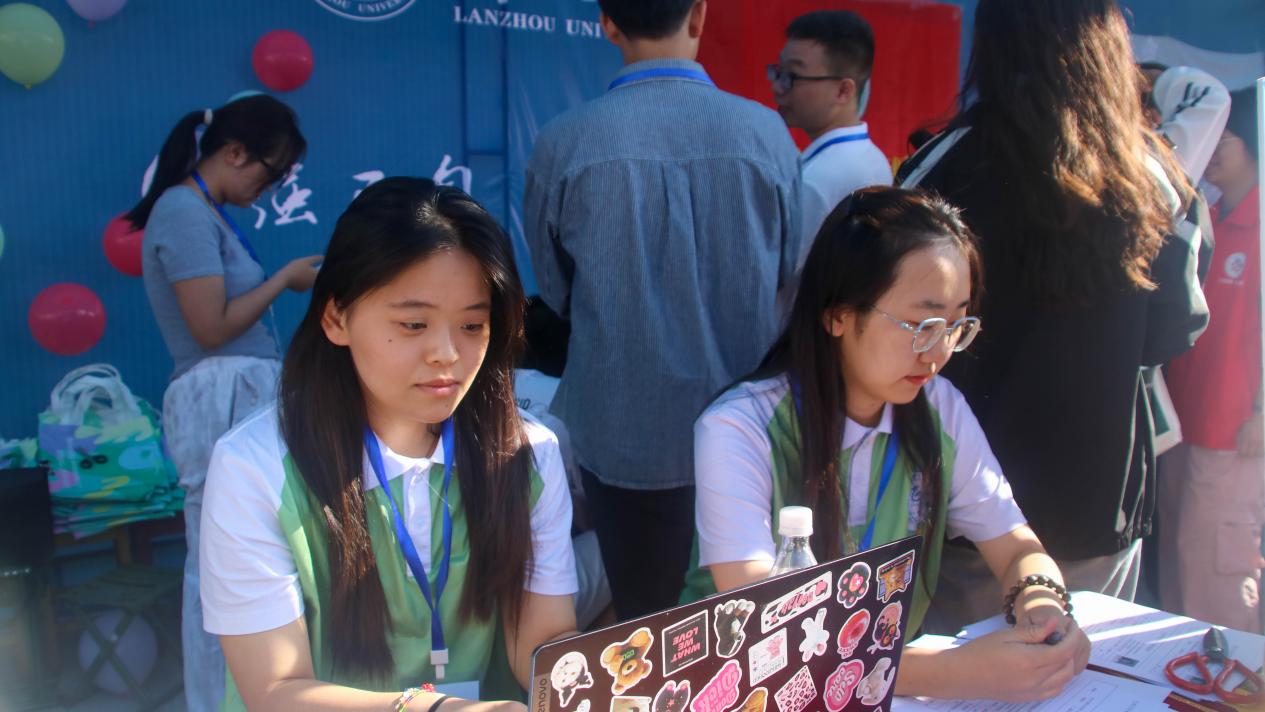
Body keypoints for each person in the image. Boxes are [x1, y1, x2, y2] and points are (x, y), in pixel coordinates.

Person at [682, 187, 1091, 702]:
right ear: (837, 314)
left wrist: (1042, 604)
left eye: (956, 325)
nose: (939, 352)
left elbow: (1015, 547)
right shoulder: (738, 429)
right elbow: (767, 632)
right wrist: (952, 672)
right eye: (921, 325)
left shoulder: (939, 408)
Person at [199, 178, 578, 710]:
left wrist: (607, 685)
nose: (447, 353)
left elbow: (542, 647)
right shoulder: (254, 468)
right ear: (336, 318)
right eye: (414, 323)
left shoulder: (527, 453)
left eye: (473, 325)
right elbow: (274, 692)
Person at [897, 0, 1208, 632]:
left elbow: (897, 322)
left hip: (965, 504)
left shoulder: (943, 165)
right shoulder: (1153, 174)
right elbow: (1176, 329)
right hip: (1097, 497)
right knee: (1088, 672)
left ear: (992, 47)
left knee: (964, 672)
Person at [524, 0, 802, 619]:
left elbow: (556, 291)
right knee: (758, 620)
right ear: (699, 15)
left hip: (625, 431)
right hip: (750, 421)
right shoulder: (766, 134)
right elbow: (788, 274)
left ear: (607, 23)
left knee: (648, 623)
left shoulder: (564, 142)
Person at [126, 94, 319, 712]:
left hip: (239, 391)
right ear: (235, 153)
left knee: (252, 558)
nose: (268, 189)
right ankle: (215, 700)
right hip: (218, 393)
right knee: (219, 566)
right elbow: (210, 327)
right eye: (270, 173)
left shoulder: (200, 212)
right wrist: (284, 280)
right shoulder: (183, 211)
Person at [1161, 89, 1263, 633]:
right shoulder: (1210, 215)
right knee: (1179, 566)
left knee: (1219, 577)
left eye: (1226, 138)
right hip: (1183, 425)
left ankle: (1235, 677)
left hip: (1233, 434)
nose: (1213, 147)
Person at [769, 10, 892, 271]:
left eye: (793, 76)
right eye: (779, 72)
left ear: (843, 90)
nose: (778, 87)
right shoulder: (873, 158)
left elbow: (784, 277)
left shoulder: (817, 179)